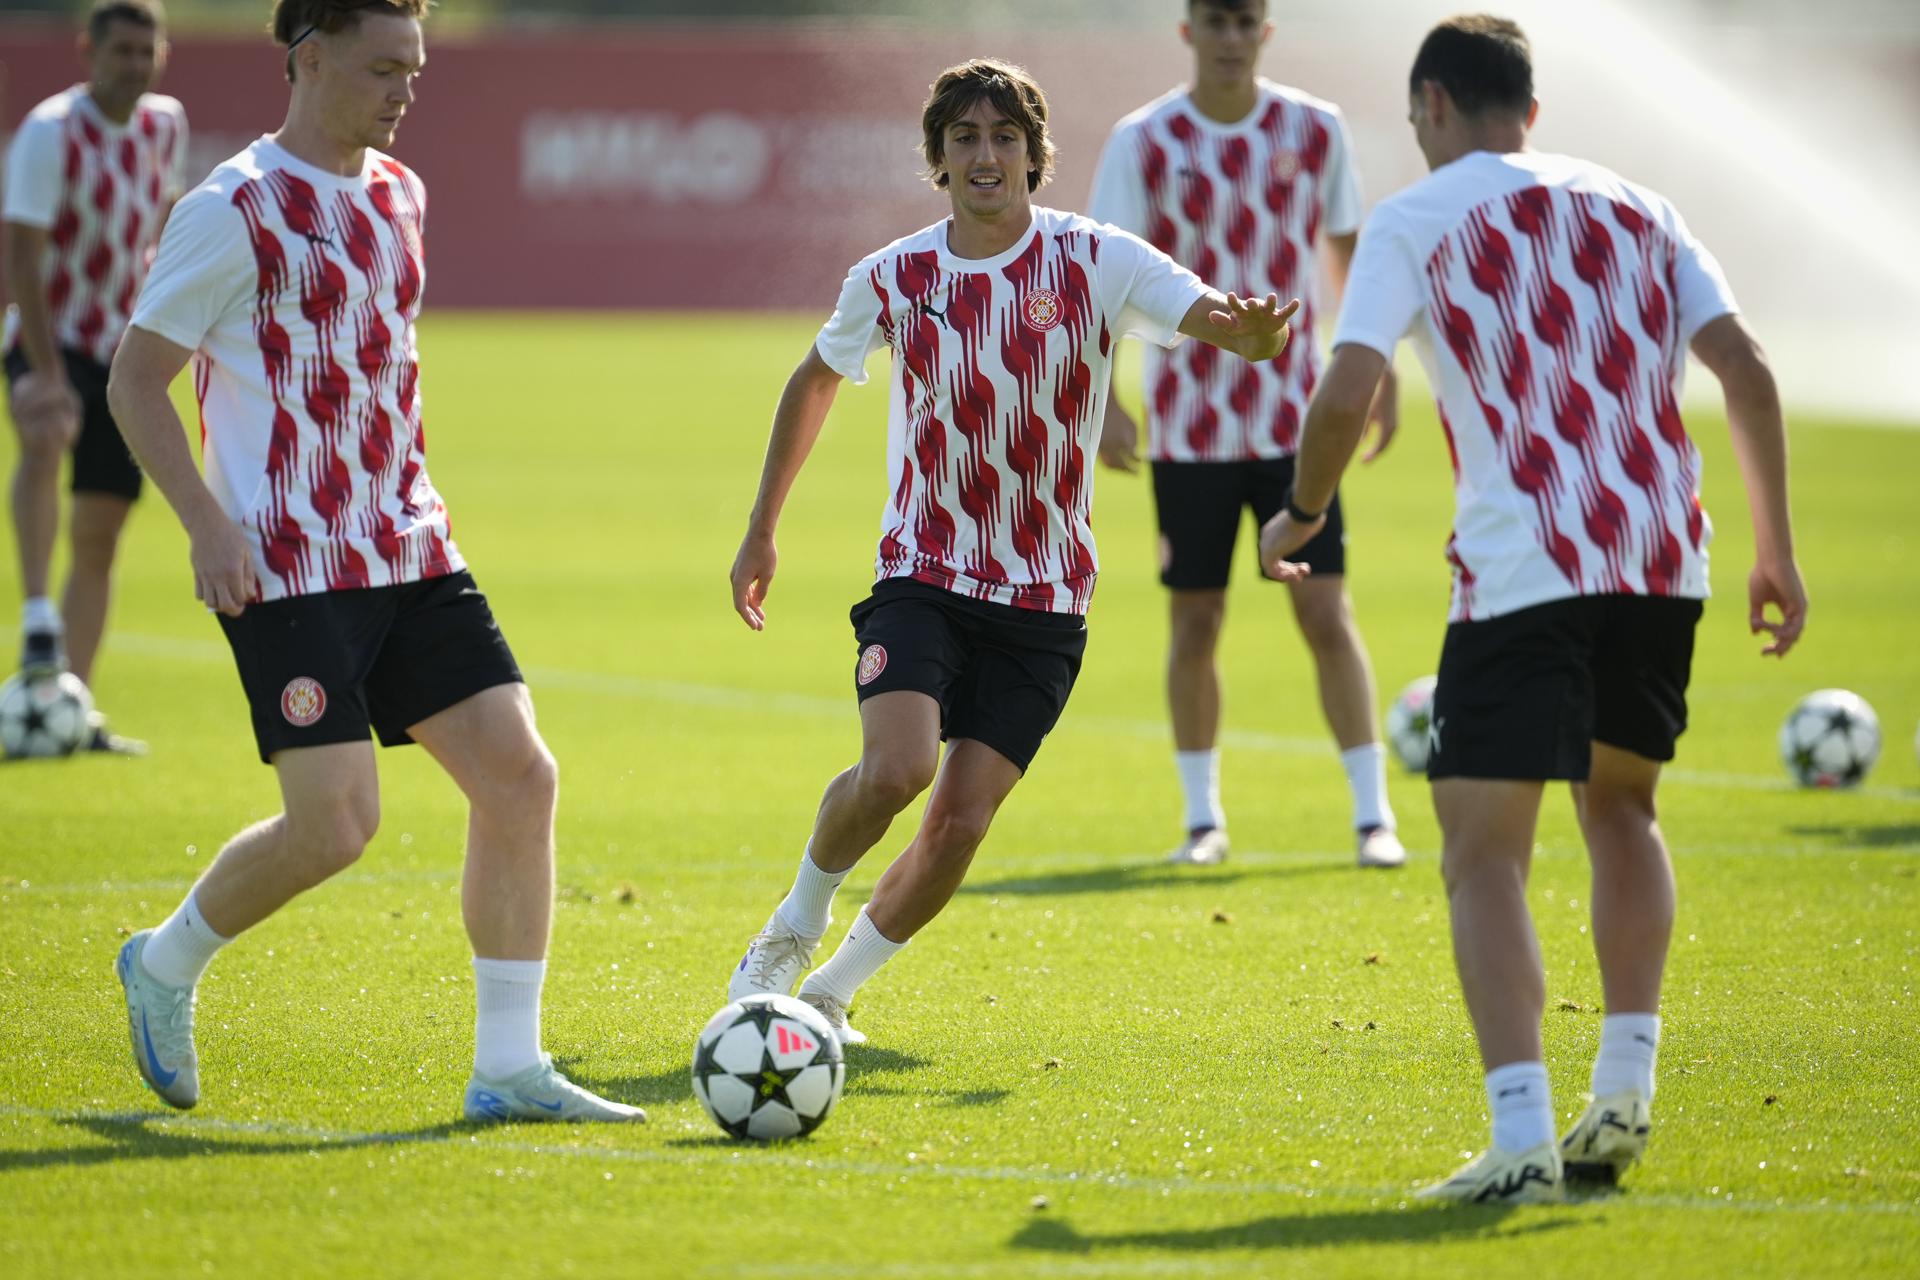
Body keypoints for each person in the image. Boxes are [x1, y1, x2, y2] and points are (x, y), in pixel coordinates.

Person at [1259, 15, 1806, 1202]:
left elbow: (1350, 379)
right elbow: (1747, 368)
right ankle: (1624, 1089)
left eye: (1417, 123)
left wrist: (1300, 510)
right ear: (1534, 111)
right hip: (1665, 556)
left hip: (1527, 569)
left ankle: (1520, 1136)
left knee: (1480, 851)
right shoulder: (1641, 205)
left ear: (1437, 106)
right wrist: (1775, 551)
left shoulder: (1420, 215)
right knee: (1623, 808)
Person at [104, 0, 642, 1125]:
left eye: (417, 68)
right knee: (336, 826)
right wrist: (206, 522)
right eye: (383, 67)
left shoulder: (402, 193)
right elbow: (133, 379)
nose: (406, 89)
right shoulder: (231, 210)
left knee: (521, 778)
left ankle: (507, 1067)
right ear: (308, 60)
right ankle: (162, 961)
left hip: (411, 544)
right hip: (285, 564)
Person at [724, 57, 1304, 1044]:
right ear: (938, 161)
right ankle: (791, 927)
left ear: (1035, 158)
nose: (985, 155)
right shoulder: (895, 275)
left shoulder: (1095, 258)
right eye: (964, 140)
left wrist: (1247, 339)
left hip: (1046, 599)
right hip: (927, 573)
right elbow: (815, 380)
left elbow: (1206, 314)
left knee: (960, 822)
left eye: (1004, 139)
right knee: (899, 767)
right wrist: (762, 524)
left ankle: (830, 992)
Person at [1086, 0, 1405, 870]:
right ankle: (1202, 821)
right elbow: (1102, 271)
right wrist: (1105, 396)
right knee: (1196, 621)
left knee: (1324, 609)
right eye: (1215, 20)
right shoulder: (1143, 141)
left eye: (1245, 20)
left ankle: (1373, 816)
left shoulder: (1314, 127)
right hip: (1189, 426)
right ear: (1188, 29)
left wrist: (1373, 368)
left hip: (1296, 423)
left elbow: (1348, 255)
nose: (1230, 36)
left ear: (1265, 30)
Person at [3, 0, 186, 752]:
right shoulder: (51, 132)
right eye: (122, 51)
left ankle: (73, 706)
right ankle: (40, 619)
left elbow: (165, 228)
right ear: (88, 51)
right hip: (52, 332)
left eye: (148, 51)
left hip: (121, 346)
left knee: (103, 528)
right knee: (46, 436)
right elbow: (24, 260)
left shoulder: (165, 123)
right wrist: (46, 372)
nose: (136, 65)